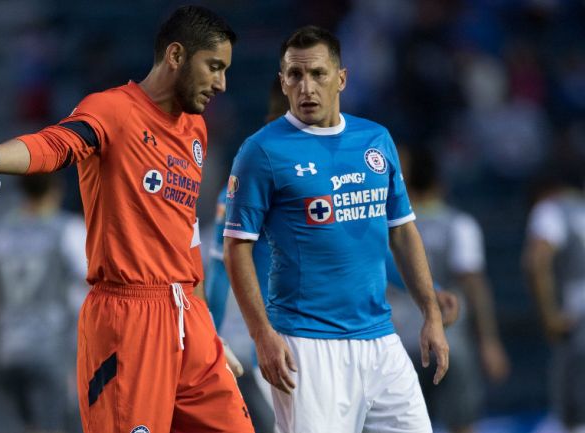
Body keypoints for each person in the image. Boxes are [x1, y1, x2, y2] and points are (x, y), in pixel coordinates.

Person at [0, 6, 254, 433]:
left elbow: (186, 232)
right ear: (176, 55)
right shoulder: (113, 111)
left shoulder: (195, 128)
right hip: (128, 319)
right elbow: (56, 145)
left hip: (187, 317)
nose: (222, 83)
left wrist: (206, 331)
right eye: (214, 67)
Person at [223, 26, 449, 433]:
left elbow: (401, 231)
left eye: (318, 74)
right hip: (306, 345)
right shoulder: (261, 151)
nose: (306, 86)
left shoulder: (375, 140)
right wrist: (263, 336)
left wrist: (429, 312)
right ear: (282, 81)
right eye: (294, 75)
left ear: (341, 77)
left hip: (381, 341)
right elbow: (235, 248)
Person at [388, 147, 510, 433]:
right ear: (439, 183)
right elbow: (474, 285)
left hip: (397, 344)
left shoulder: (386, 226)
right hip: (450, 341)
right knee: (462, 425)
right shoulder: (459, 224)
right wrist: (489, 342)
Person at [0, 173, 87, 433]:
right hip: (54, 351)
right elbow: (91, 289)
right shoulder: (70, 231)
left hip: (8, 351)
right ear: (58, 188)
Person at [523, 172, 585, 433]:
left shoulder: (550, 210)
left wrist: (549, 316)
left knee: (573, 418)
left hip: (577, 319)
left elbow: (536, 261)